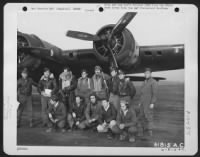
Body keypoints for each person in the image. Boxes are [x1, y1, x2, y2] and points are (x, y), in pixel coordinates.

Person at [137, 68, 158, 137]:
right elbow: (141, 93)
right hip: (142, 102)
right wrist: (140, 102)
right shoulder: (144, 82)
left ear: (151, 74)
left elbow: (155, 94)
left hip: (148, 102)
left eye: (148, 73)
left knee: (149, 116)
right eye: (145, 73)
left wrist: (152, 103)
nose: (146, 74)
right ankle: (144, 129)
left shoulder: (153, 82)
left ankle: (150, 131)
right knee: (142, 116)